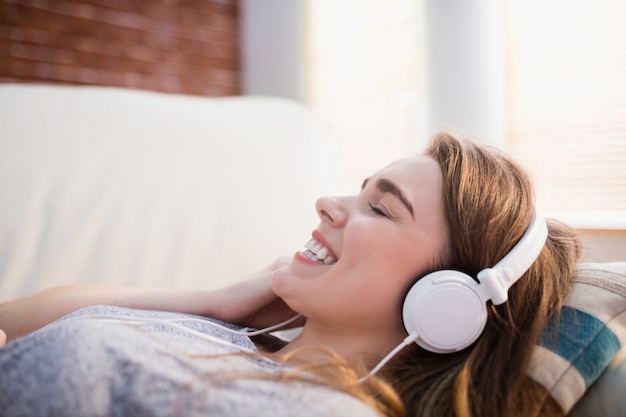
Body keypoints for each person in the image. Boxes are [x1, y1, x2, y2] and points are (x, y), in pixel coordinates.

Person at [0, 132, 581, 417]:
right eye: (360, 190)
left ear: (445, 303)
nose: (328, 203)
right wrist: (215, 301)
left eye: (381, 208)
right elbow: (14, 322)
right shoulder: (243, 336)